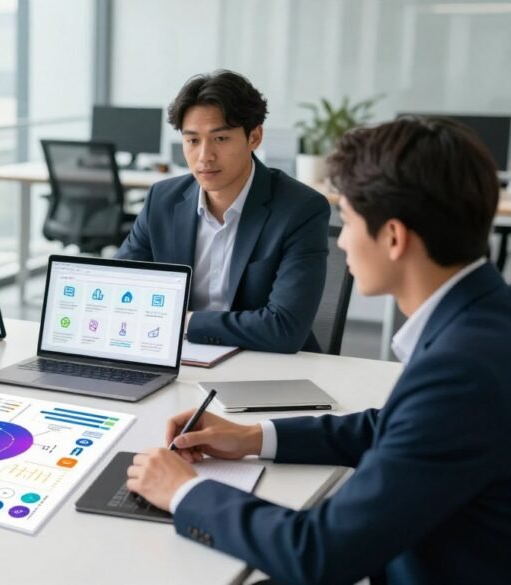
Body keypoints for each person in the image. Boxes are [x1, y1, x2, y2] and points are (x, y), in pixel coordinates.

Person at [126, 117, 511, 584]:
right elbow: (398, 428)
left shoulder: (461, 371)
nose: (342, 242)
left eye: (346, 220)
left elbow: (319, 552)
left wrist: (185, 492)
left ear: (393, 237)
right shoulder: (484, 318)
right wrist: (254, 437)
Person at [115, 70, 329, 353]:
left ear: (254, 137)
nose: (205, 157)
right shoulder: (163, 200)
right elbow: (119, 289)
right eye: (192, 141)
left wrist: (186, 323)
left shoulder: (300, 209)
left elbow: (284, 328)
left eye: (220, 139)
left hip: (267, 367)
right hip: (176, 357)